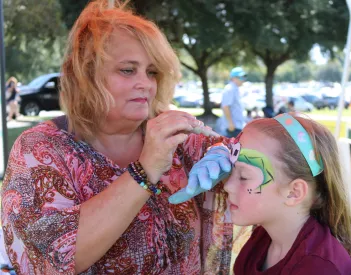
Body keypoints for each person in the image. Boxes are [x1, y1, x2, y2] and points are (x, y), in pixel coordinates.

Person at [1, 1, 236, 274]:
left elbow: (259, 155)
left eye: (152, 72)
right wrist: (145, 170)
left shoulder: (178, 137)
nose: (146, 84)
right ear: (85, 75)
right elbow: (60, 258)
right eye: (127, 70)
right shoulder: (41, 149)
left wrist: (231, 152)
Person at [225, 114, 351, 274]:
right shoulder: (264, 238)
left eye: (244, 176)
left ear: (294, 193)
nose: (228, 186)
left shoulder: (318, 268)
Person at [221, 67, 247, 137]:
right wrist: (230, 123)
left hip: (238, 126)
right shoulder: (230, 89)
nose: (243, 79)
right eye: (241, 77)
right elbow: (226, 106)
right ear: (233, 78)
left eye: (244, 77)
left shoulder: (236, 89)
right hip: (233, 127)